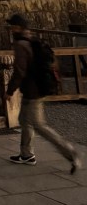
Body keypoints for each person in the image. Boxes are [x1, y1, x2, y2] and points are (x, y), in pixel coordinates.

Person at [5, 13, 81, 173]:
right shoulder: (32, 40)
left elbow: (19, 71)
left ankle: (70, 152)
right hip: (37, 87)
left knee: (39, 125)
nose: (11, 29)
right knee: (24, 119)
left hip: (33, 90)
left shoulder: (20, 44)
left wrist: (10, 90)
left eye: (13, 26)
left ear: (18, 27)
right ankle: (26, 154)